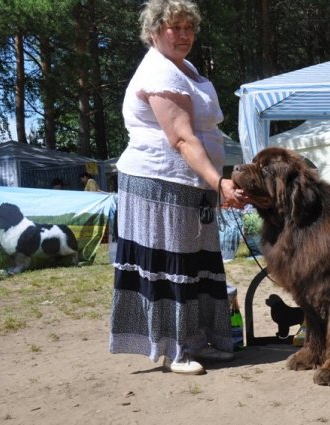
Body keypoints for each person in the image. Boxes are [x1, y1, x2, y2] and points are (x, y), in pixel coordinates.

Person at [110, 0, 246, 375]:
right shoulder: (159, 71)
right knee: (172, 265)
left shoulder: (184, 68)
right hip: (159, 184)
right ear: (154, 31)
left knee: (198, 263)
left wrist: (213, 180)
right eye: (175, 27)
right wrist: (218, 181)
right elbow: (182, 138)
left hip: (190, 182)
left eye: (189, 27)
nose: (184, 34)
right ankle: (175, 350)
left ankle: (203, 339)